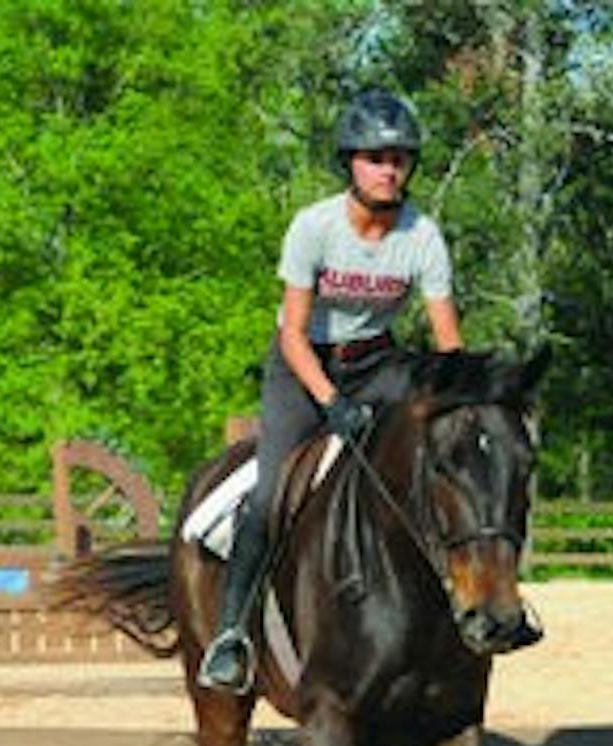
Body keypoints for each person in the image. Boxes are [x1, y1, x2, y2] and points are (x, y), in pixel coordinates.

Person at [198, 88, 464, 692]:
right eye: (375, 157)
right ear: (350, 162)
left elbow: (447, 339)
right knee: (269, 497)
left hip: (378, 362)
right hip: (302, 364)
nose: (389, 169)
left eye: (399, 158)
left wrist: (460, 397)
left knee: (435, 464)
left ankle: (461, 602)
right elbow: (292, 332)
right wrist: (330, 402)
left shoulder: (423, 235)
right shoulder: (313, 227)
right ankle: (232, 634)